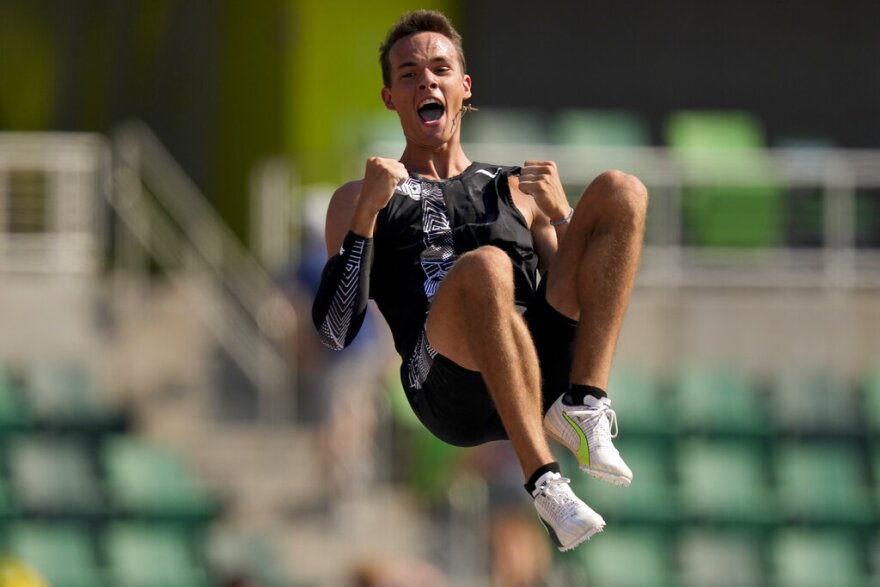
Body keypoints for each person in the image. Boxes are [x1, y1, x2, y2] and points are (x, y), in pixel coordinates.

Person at [312, 10, 647, 552]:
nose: (426, 80)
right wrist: (365, 218)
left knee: (622, 190)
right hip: (446, 387)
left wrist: (560, 216)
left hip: (533, 366)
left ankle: (584, 404)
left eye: (440, 68)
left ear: (463, 88)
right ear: (390, 98)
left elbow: (572, 301)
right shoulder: (358, 197)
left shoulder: (515, 185)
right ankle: (544, 482)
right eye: (408, 73)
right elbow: (333, 332)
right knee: (486, 267)